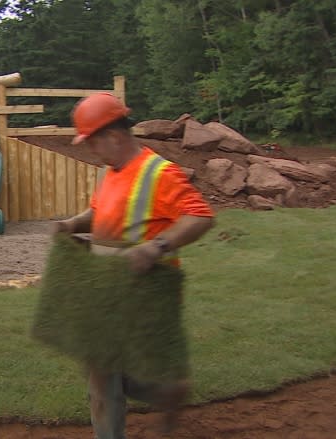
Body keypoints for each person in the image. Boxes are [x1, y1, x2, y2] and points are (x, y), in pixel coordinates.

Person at [53, 93, 215, 438]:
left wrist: (156, 247)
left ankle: (165, 395)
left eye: (91, 142)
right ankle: (160, 398)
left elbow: (200, 217)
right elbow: (98, 213)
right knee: (101, 371)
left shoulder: (160, 173)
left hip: (147, 295)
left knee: (111, 373)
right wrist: (72, 224)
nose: (89, 150)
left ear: (113, 136)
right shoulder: (109, 172)